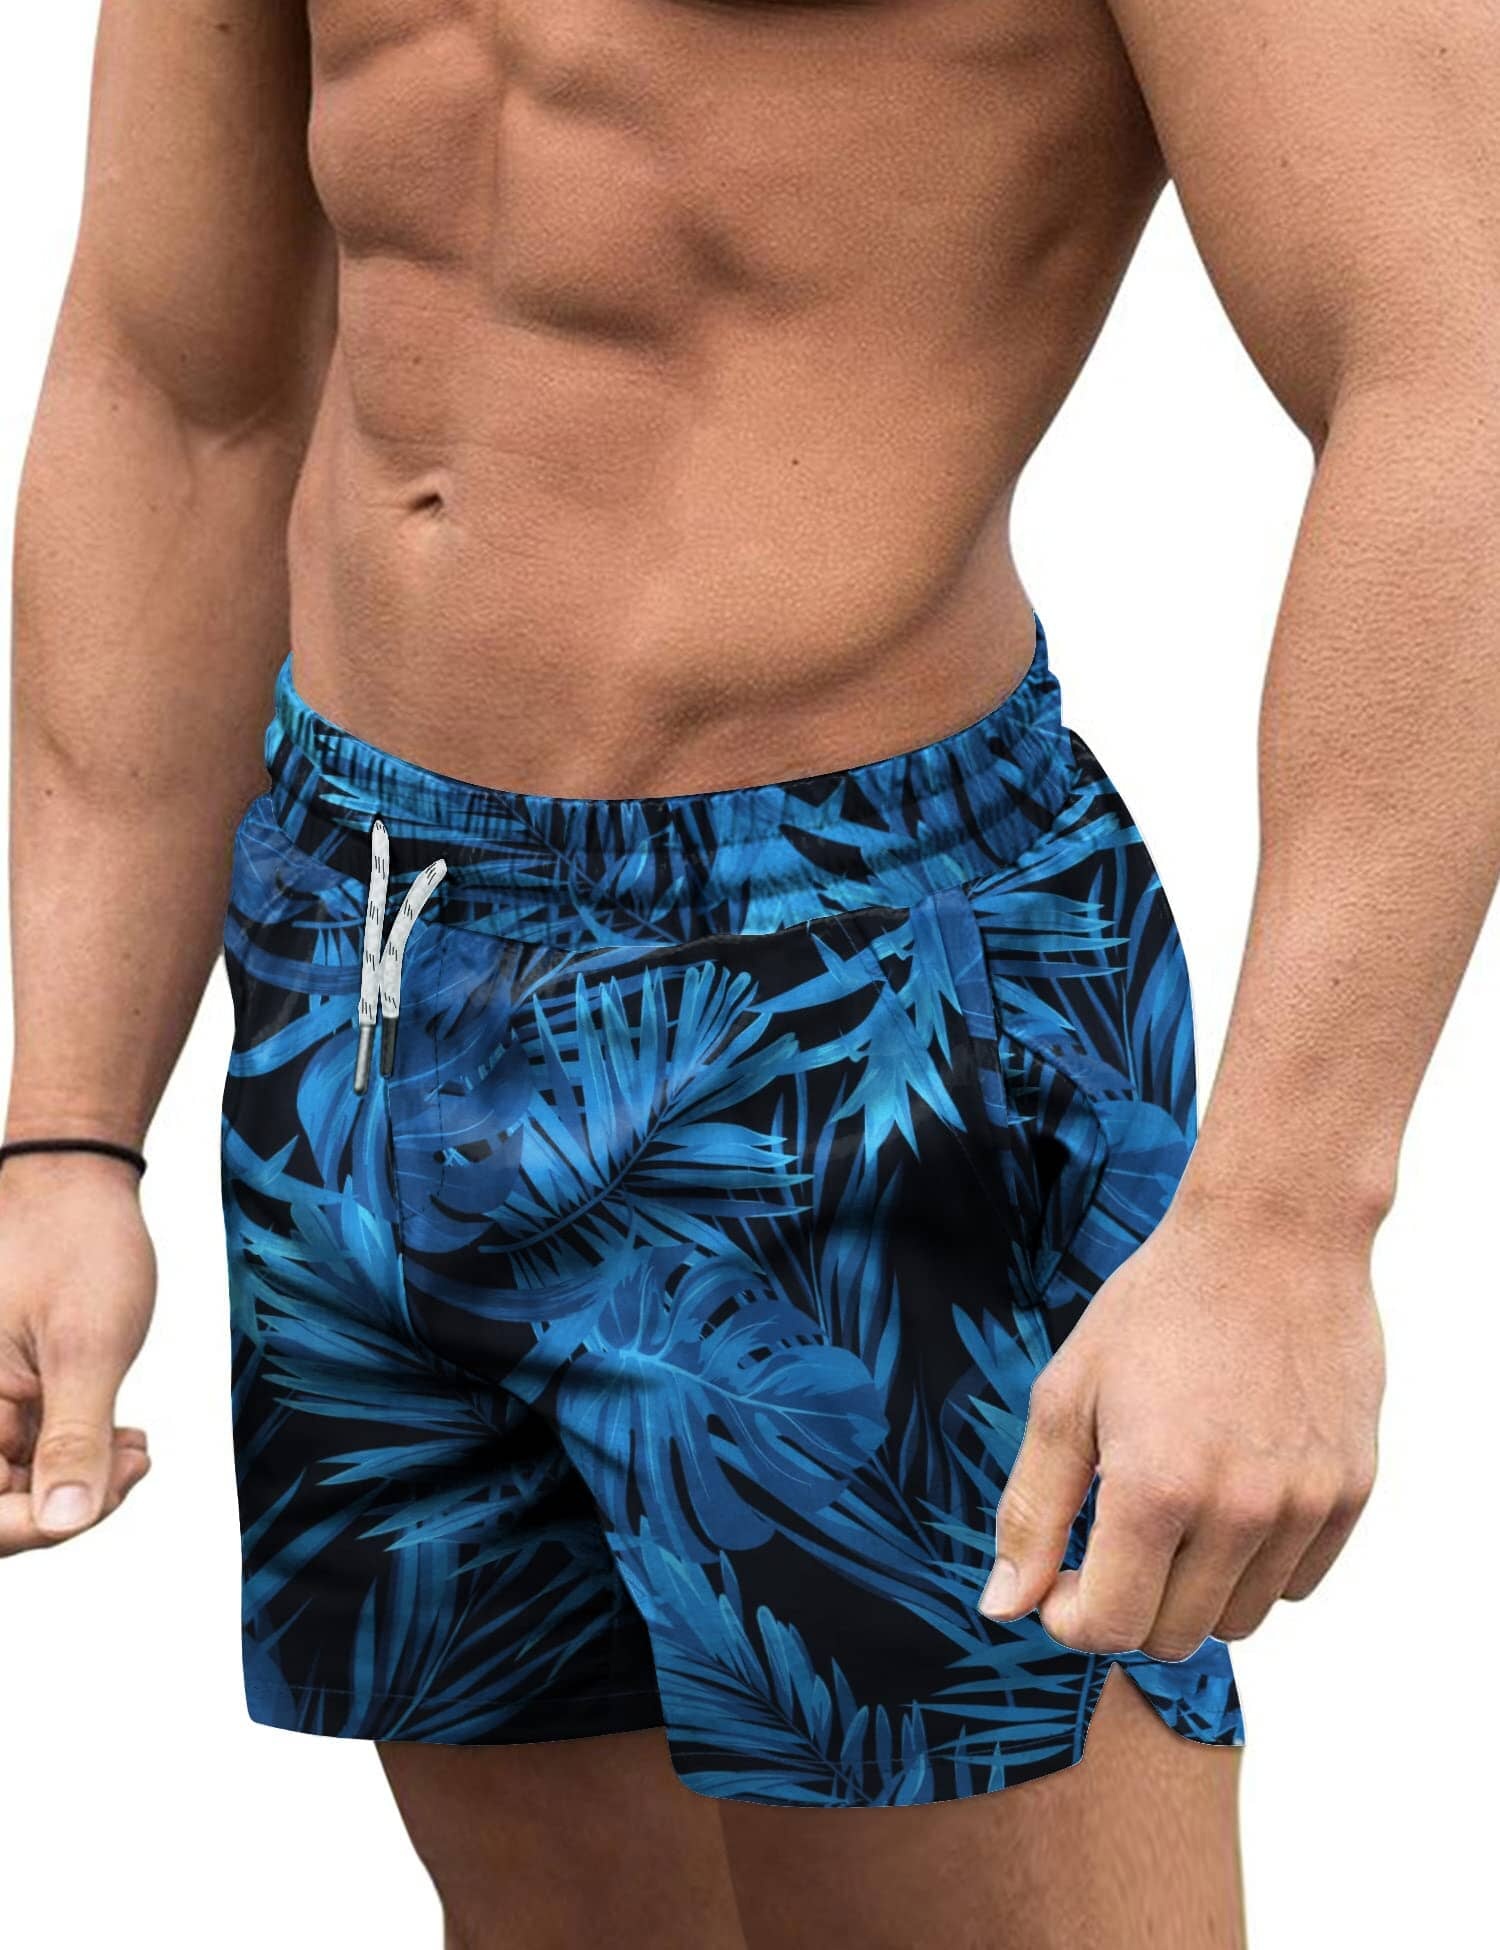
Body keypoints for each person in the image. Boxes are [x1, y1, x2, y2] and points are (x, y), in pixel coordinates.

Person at [2, 2, 1495, 1944]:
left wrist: (1288, 1219)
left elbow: (1460, 351)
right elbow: (175, 386)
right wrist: (66, 1130)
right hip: (360, 952)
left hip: (849, 1008)